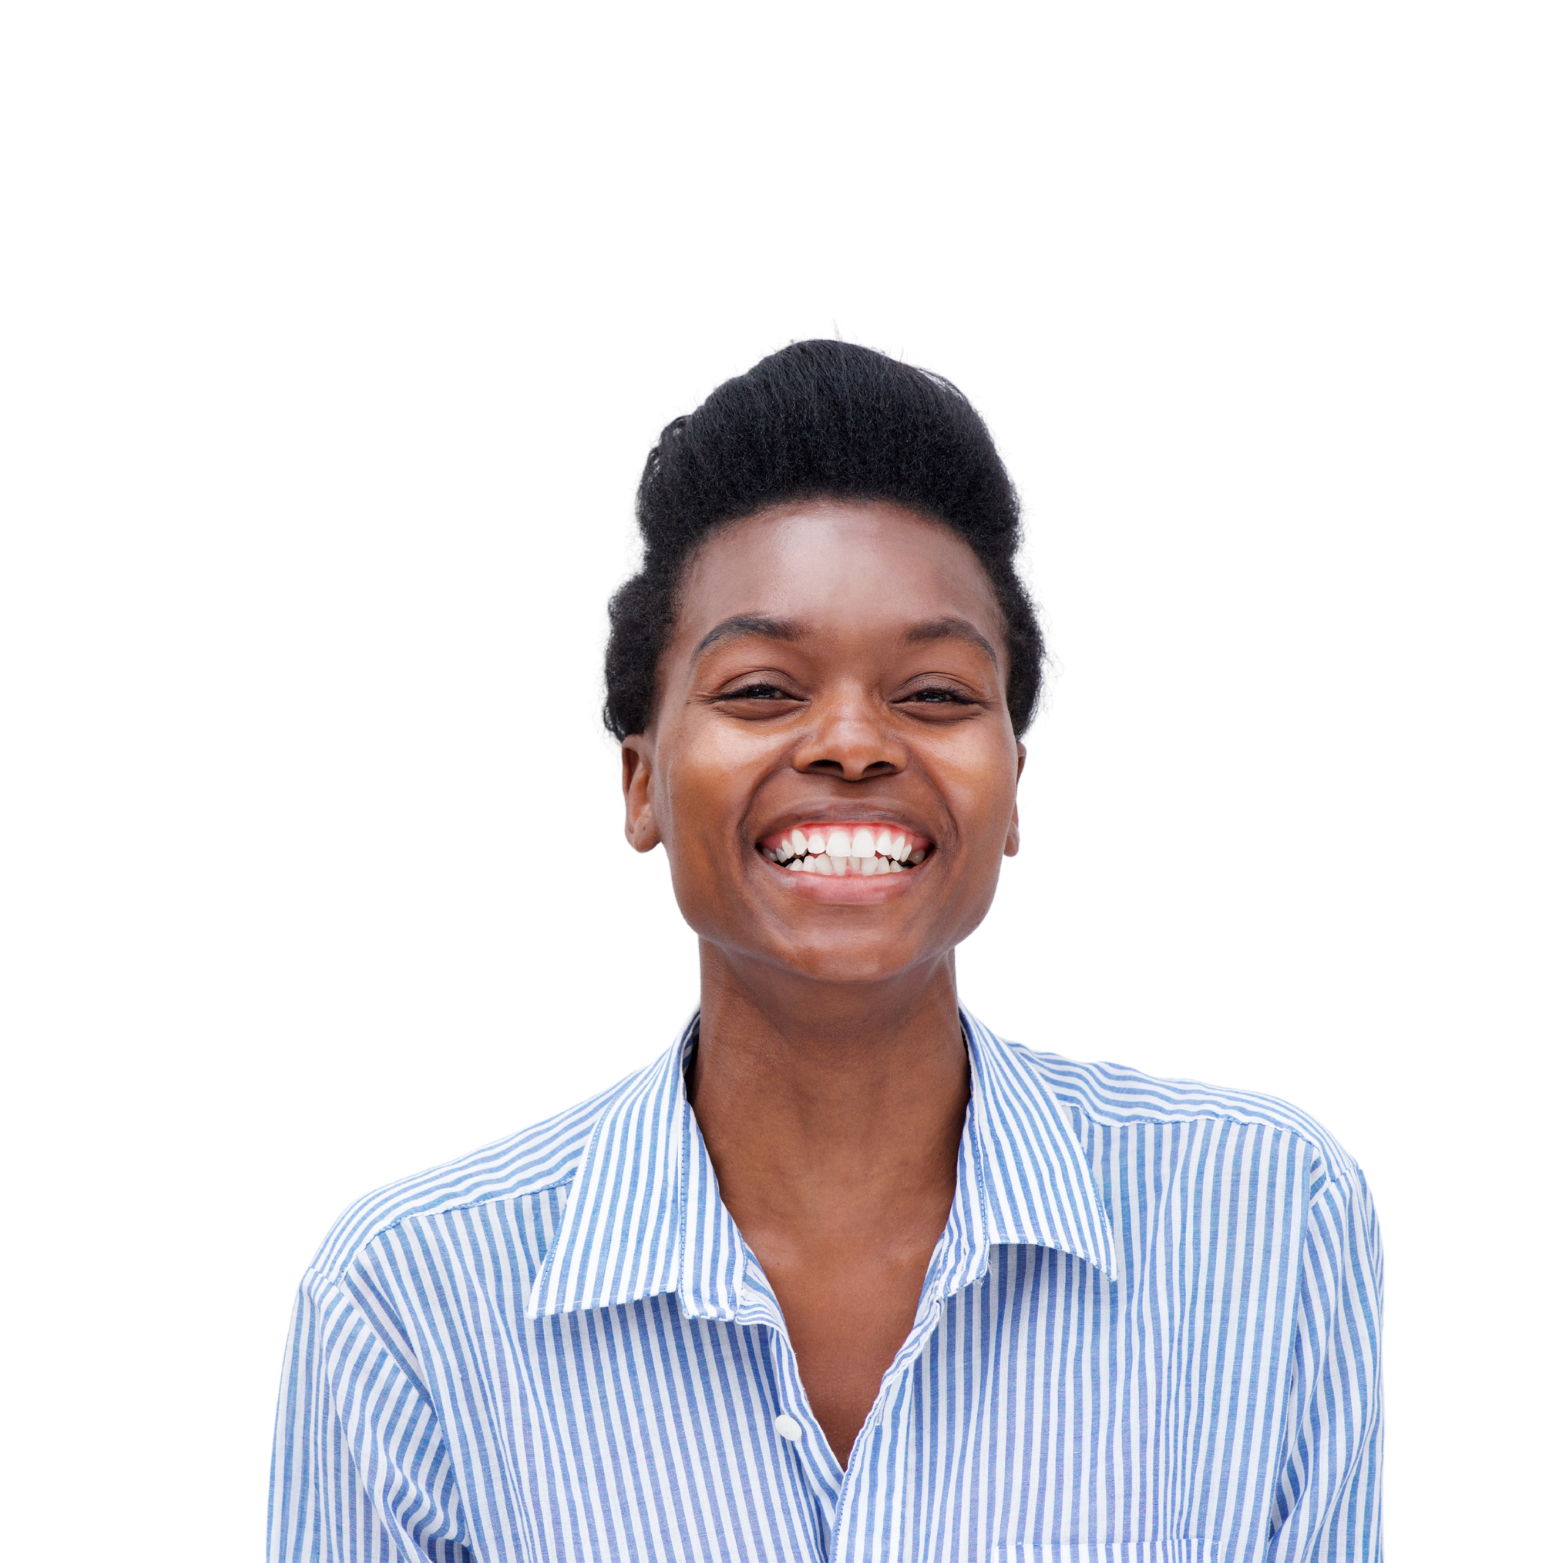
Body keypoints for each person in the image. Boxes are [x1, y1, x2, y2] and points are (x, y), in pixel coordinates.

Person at [267, 333, 1386, 1561]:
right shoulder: (408, 1301)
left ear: (1014, 790)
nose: (852, 742)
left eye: (937, 695)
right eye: (760, 690)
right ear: (638, 791)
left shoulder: (1269, 1221)